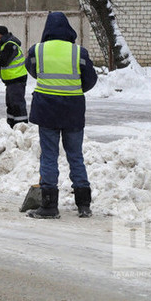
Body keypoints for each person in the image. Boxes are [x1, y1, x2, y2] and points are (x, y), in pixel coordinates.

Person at [24, 12, 97, 219]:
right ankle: (83, 204)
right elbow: (90, 79)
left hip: (47, 110)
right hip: (73, 109)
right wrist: (74, 88)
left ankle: (48, 206)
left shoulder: (37, 50)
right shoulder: (79, 52)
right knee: (75, 156)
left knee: (49, 156)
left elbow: (32, 70)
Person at [0, 25, 28, 128]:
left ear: (3, 35)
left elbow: (3, 61)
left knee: (17, 105)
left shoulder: (11, 45)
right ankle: (11, 125)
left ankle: (22, 127)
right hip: (11, 82)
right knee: (10, 105)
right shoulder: (5, 45)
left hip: (17, 80)